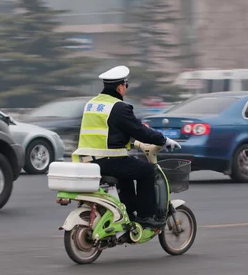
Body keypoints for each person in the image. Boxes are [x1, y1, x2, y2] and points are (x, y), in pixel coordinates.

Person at [72, 65, 181, 229]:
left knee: (128, 172)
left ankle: (129, 214)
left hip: (86, 161)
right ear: (119, 87)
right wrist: (163, 140)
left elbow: (107, 133)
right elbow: (140, 130)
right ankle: (145, 217)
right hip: (108, 160)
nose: (126, 89)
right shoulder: (119, 107)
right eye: (125, 86)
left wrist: (133, 143)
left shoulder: (91, 104)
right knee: (146, 170)